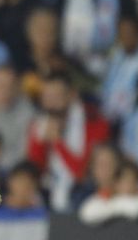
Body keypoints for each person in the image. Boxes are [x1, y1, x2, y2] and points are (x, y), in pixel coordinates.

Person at [27, 73, 110, 212]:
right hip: (49, 190)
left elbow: (83, 173)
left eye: (56, 96)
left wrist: (57, 142)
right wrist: (40, 141)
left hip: (84, 193)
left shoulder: (95, 123)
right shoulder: (39, 124)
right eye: (47, 97)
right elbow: (35, 171)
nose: (51, 103)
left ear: (71, 95)